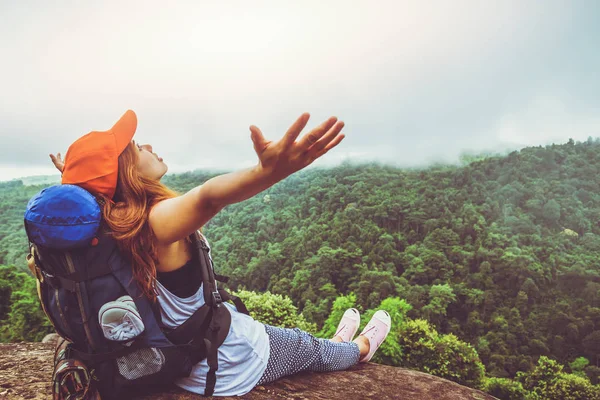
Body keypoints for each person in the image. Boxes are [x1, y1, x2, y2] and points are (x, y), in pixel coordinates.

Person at [50, 109, 392, 396]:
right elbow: (207, 197)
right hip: (226, 360)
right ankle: (359, 349)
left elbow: (101, 193)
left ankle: (338, 343)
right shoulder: (154, 224)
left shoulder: (107, 226)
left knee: (303, 344)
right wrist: (266, 173)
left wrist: (80, 175)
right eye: (137, 147)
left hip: (181, 352)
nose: (150, 146)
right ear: (127, 172)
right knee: (306, 347)